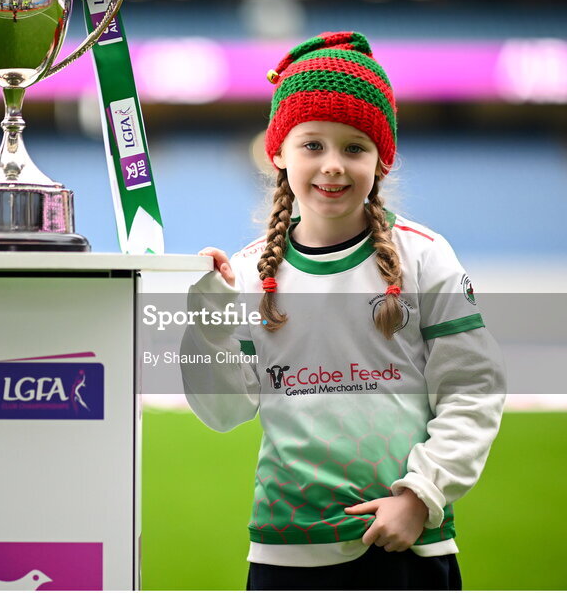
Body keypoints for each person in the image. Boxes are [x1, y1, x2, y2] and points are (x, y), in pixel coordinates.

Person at [179, 31, 506, 591]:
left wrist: (419, 496)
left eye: (354, 147)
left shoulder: (425, 256)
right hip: (286, 553)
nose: (333, 165)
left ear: (381, 160)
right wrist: (208, 321)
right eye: (313, 145)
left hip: (409, 544)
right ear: (277, 151)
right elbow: (225, 411)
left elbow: (473, 389)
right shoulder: (249, 272)